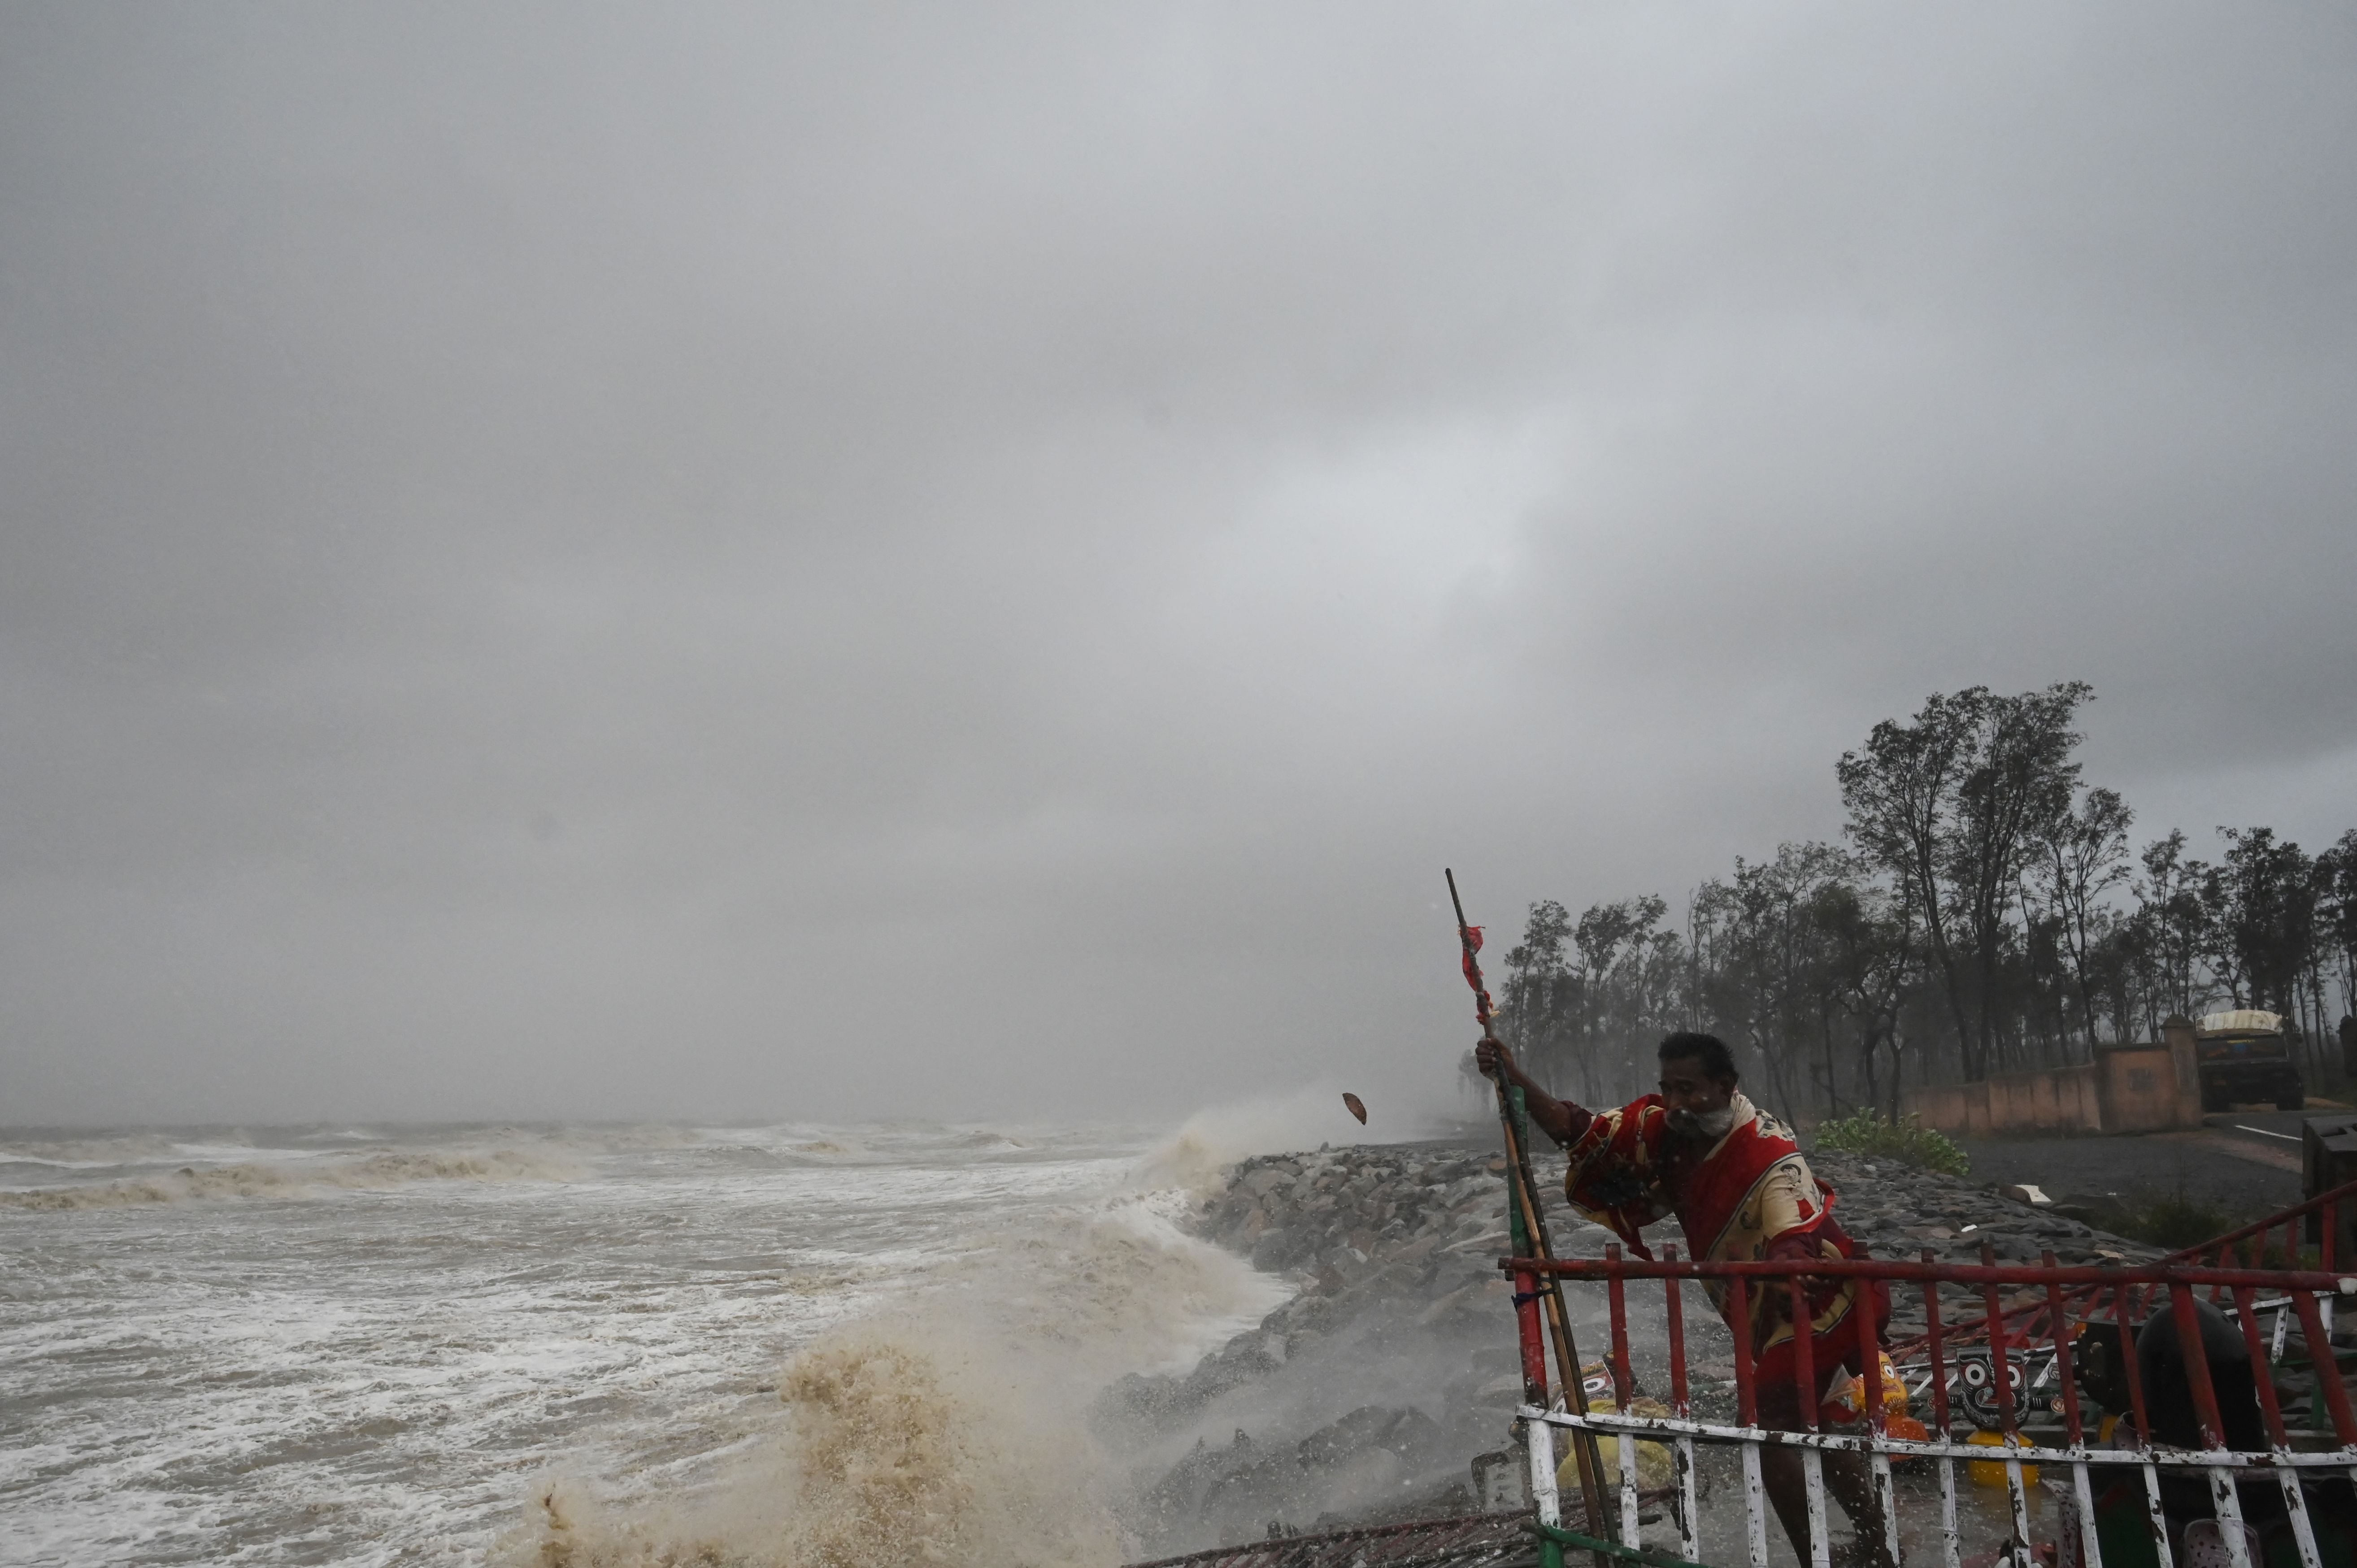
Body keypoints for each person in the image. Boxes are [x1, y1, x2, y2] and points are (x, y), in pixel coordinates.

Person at [1476, 1029, 1893, 1568]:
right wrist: (1513, 1076)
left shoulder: (1769, 1149)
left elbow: (1794, 1235)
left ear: (1725, 1087)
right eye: (1667, 1088)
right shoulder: (1662, 1129)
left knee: (1770, 1429)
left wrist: (1791, 1265)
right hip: (1765, 1305)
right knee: (1825, 1419)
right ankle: (1879, 1550)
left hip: (1816, 1297)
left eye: (1690, 1090)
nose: (1676, 1104)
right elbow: (1578, 1129)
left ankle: (1821, 1559)